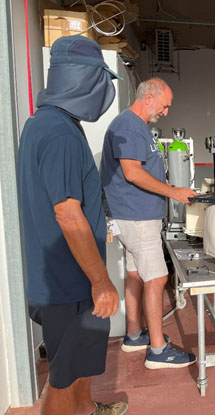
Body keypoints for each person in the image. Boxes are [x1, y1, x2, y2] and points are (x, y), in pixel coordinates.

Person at [17, 36, 128, 415]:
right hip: (70, 283)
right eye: (101, 80)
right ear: (83, 79)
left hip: (68, 278)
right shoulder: (61, 134)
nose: (104, 91)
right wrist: (100, 281)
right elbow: (67, 213)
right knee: (62, 379)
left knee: (80, 364)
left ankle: (88, 410)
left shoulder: (48, 124)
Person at [100, 78, 198, 369]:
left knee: (136, 275)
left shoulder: (136, 126)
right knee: (157, 278)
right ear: (149, 98)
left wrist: (167, 186)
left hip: (134, 216)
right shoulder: (129, 126)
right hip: (137, 217)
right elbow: (132, 173)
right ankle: (157, 350)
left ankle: (134, 335)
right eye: (165, 106)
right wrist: (174, 192)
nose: (166, 112)